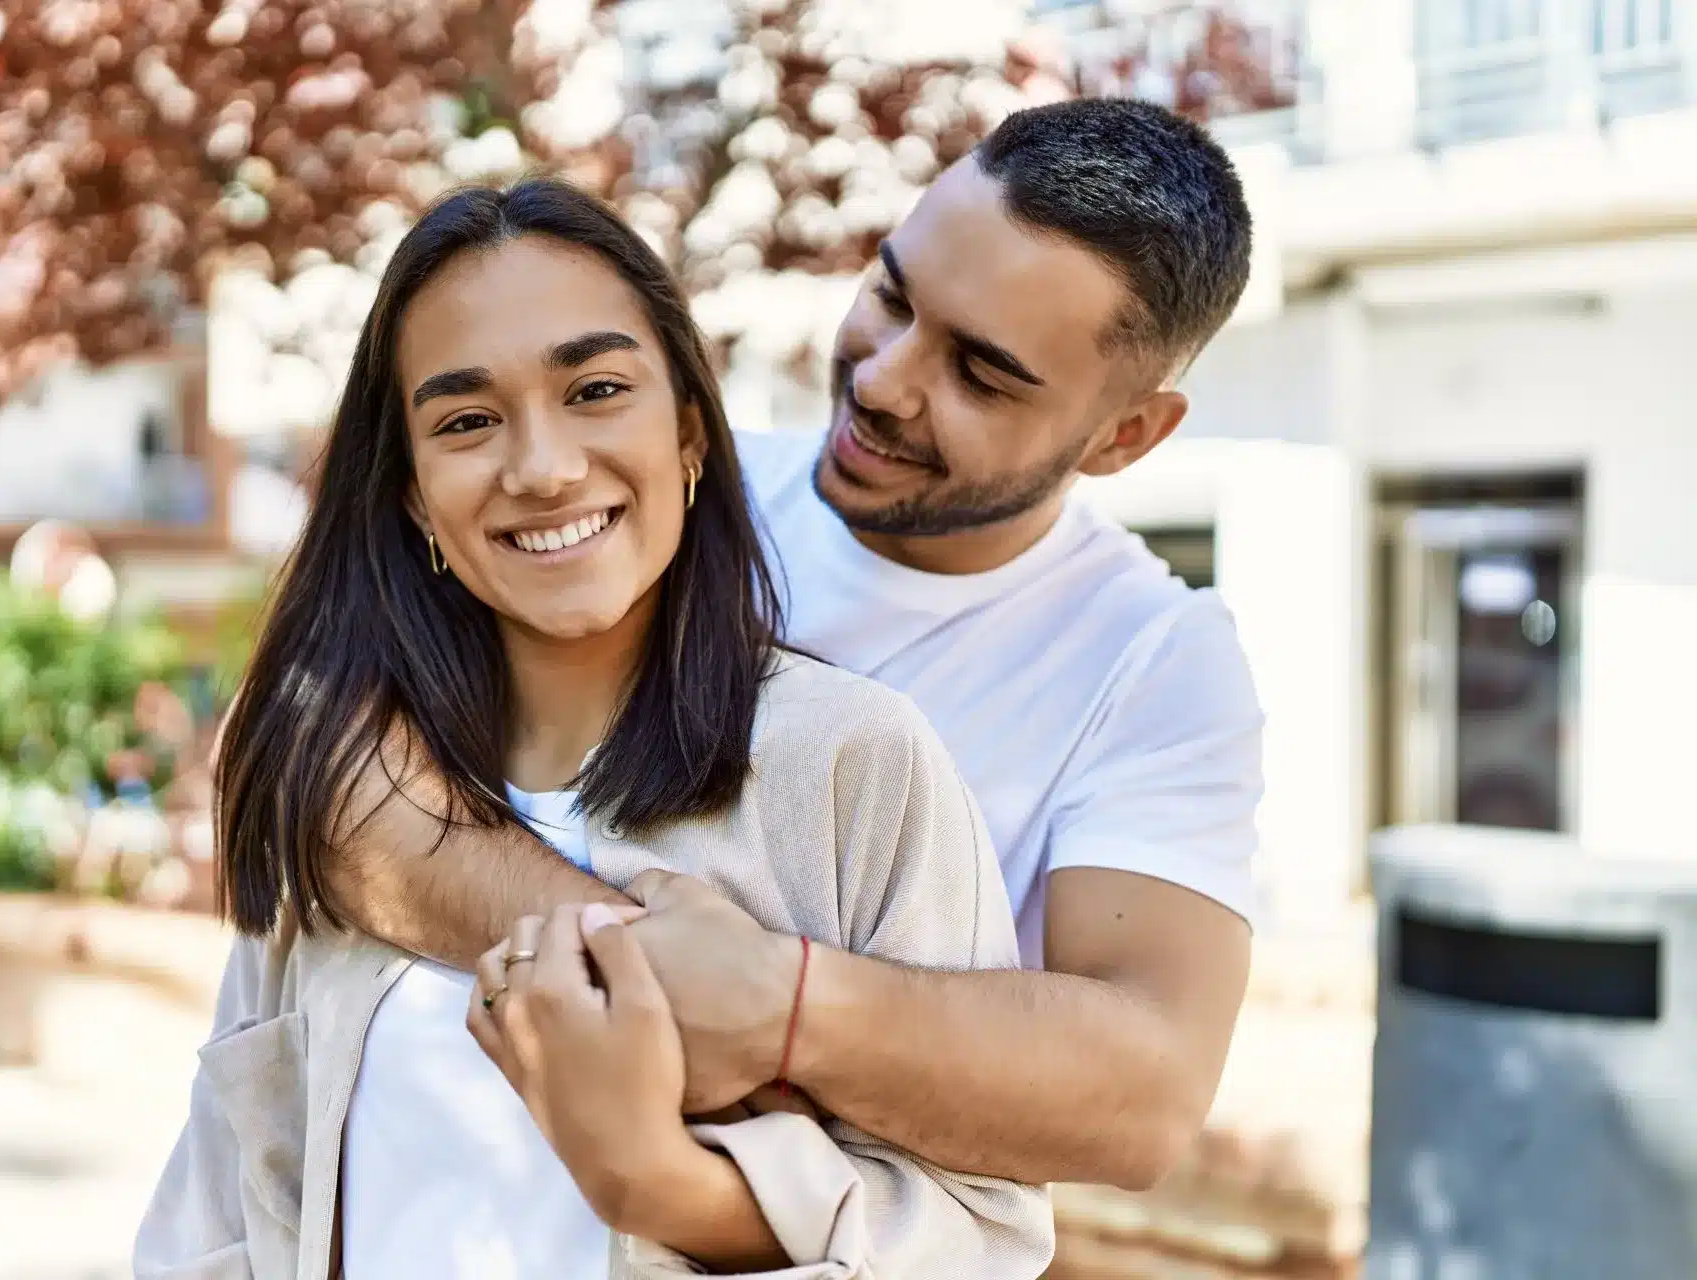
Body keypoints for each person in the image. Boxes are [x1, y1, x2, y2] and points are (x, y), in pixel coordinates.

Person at [329, 97, 1266, 1192]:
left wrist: (782, 1006)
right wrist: (652, 974)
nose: (882, 379)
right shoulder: (661, 499)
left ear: (1125, 435)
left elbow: (1141, 1097)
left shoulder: (1152, 662)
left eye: (980, 373)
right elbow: (332, 772)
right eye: (892, 295)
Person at [134, 180, 1056, 1279]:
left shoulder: (853, 764)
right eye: (467, 420)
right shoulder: (336, 786)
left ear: (691, 435)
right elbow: (221, 1214)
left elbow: (980, 1236)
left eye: (597, 388)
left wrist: (661, 1186)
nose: (542, 466)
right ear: (419, 497)